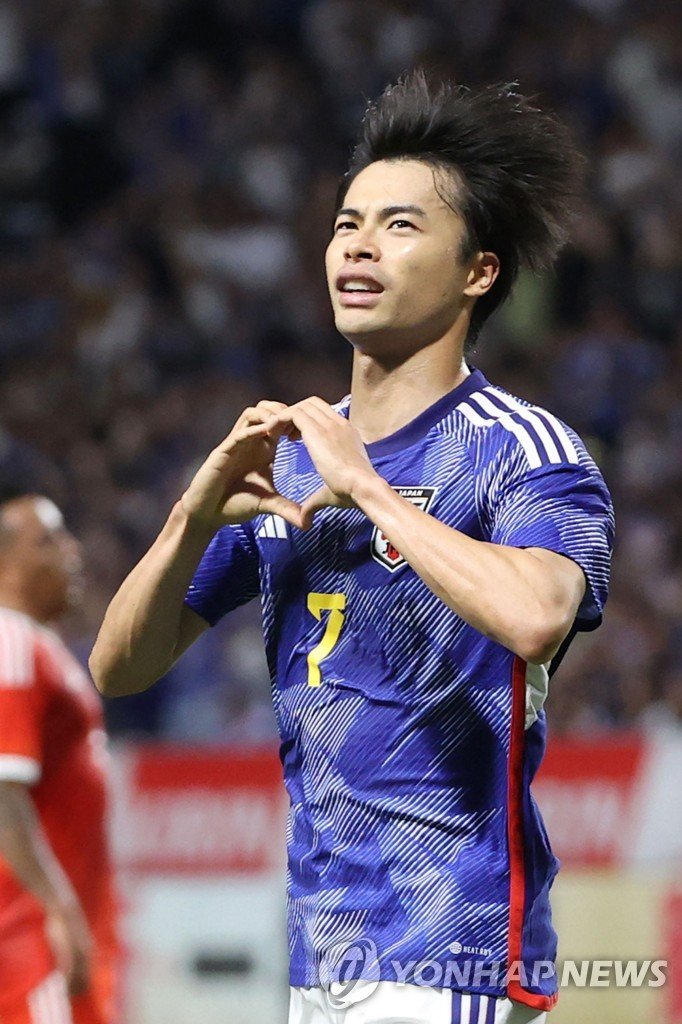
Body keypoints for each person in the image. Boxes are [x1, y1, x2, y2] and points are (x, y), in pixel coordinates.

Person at [91, 71, 615, 1024]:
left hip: (452, 950)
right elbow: (118, 669)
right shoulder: (291, 463)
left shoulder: (524, 450)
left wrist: (369, 490)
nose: (358, 246)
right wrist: (191, 516)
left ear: (478, 272)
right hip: (321, 954)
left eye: (401, 225)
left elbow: (539, 616)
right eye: (346, 223)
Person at [0, 493, 118, 1024]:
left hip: (63, 930)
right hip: (32, 937)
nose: (72, 551)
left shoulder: (41, 644)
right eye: (48, 541)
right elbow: (2, 789)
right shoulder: (9, 640)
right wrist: (57, 907)